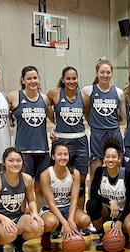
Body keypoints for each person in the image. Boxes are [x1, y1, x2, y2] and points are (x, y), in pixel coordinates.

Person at [0, 147, 44, 252]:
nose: (15, 164)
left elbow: (31, 200)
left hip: (18, 217)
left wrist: (35, 213)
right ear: (4, 162)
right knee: (9, 233)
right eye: (11, 160)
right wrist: (3, 219)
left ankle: (18, 242)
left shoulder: (26, 179)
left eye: (18, 160)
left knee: (39, 227)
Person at [8, 66, 53, 208]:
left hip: (42, 151)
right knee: (22, 188)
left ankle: (39, 216)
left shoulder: (45, 99)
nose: (33, 81)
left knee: (39, 187)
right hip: (23, 151)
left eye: (35, 78)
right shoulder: (14, 96)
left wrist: (55, 131)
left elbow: (55, 119)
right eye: (29, 78)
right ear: (23, 80)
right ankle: (20, 217)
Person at [47, 66, 89, 212]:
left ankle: (79, 213)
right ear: (63, 80)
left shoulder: (84, 97)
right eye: (68, 78)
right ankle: (57, 213)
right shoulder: (54, 94)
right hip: (62, 141)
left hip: (81, 141)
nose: (71, 81)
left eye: (74, 78)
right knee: (59, 179)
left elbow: (87, 116)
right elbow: (46, 108)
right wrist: (55, 124)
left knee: (81, 181)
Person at [86, 139, 130, 251]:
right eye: (107, 156)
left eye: (113, 157)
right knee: (91, 204)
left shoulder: (127, 175)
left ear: (119, 159)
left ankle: (122, 231)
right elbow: (93, 194)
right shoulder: (99, 171)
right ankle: (101, 235)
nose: (110, 159)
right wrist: (109, 202)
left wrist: (120, 221)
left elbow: (129, 202)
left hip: (123, 209)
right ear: (104, 158)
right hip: (107, 209)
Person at [39, 143, 92, 252]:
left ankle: (71, 233)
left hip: (67, 208)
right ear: (53, 156)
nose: (63, 157)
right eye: (59, 154)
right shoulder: (46, 174)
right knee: (50, 223)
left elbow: (74, 200)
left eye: (65, 154)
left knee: (85, 220)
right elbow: (51, 204)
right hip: (50, 210)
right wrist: (65, 223)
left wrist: (71, 220)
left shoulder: (74, 173)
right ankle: (46, 234)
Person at [82, 57, 127, 182]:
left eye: (108, 72)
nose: (105, 75)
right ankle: (94, 199)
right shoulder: (88, 91)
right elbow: (86, 113)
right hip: (96, 134)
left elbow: (123, 116)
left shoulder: (118, 92)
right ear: (97, 73)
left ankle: (118, 197)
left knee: (117, 168)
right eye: (102, 72)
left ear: (112, 73)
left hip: (114, 133)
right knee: (95, 171)